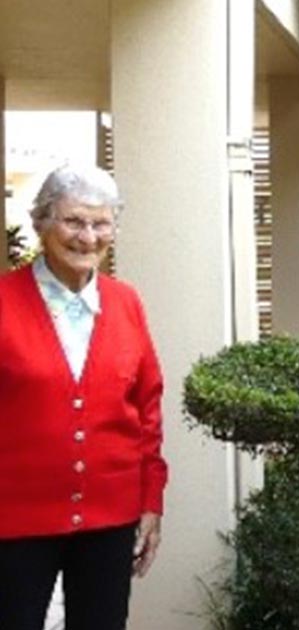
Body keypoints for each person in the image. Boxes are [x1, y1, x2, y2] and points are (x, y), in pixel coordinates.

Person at [0, 165, 168, 630]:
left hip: (109, 515)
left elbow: (147, 407)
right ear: (41, 223)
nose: (87, 237)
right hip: (12, 517)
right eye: (73, 221)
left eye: (101, 223)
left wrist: (150, 500)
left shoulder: (126, 302)